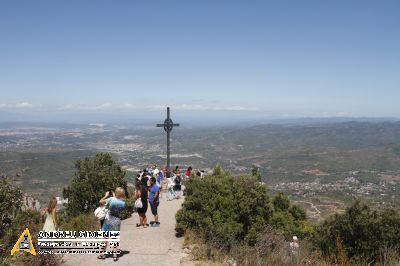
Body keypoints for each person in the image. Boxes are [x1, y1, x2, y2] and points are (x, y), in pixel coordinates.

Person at [98, 187, 126, 261]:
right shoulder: (123, 203)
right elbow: (117, 201)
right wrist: (115, 197)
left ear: (116, 193)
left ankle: (102, 254)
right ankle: (115, 255)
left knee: (105, 238)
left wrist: (106, 195)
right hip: (116, 221)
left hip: (108, 220)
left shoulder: (110, 199)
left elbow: (100, 201)